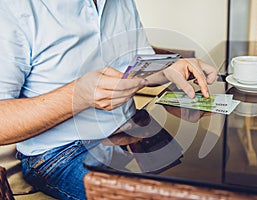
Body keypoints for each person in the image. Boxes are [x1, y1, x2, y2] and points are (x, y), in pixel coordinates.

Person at [0, 0, 218, 199]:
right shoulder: (14, 9)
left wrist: (170, 67)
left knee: (213, 175)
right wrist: (79, 96)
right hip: (59, 153)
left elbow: (134, 66)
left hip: (131, 131)